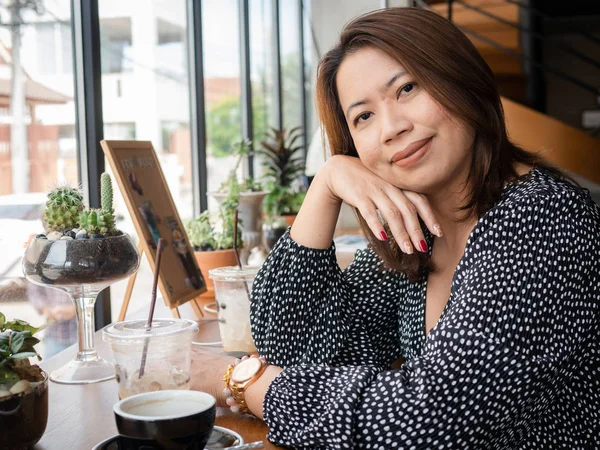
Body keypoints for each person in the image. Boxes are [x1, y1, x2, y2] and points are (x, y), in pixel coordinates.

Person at [190, 7, 599, 449]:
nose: (392, 128)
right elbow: (294, 348)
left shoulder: (542, 218)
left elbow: (430, 420)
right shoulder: (418, 233)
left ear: (462, 80)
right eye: (363, 117)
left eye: (407, 88)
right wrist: (327, 183)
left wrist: (237, 378)